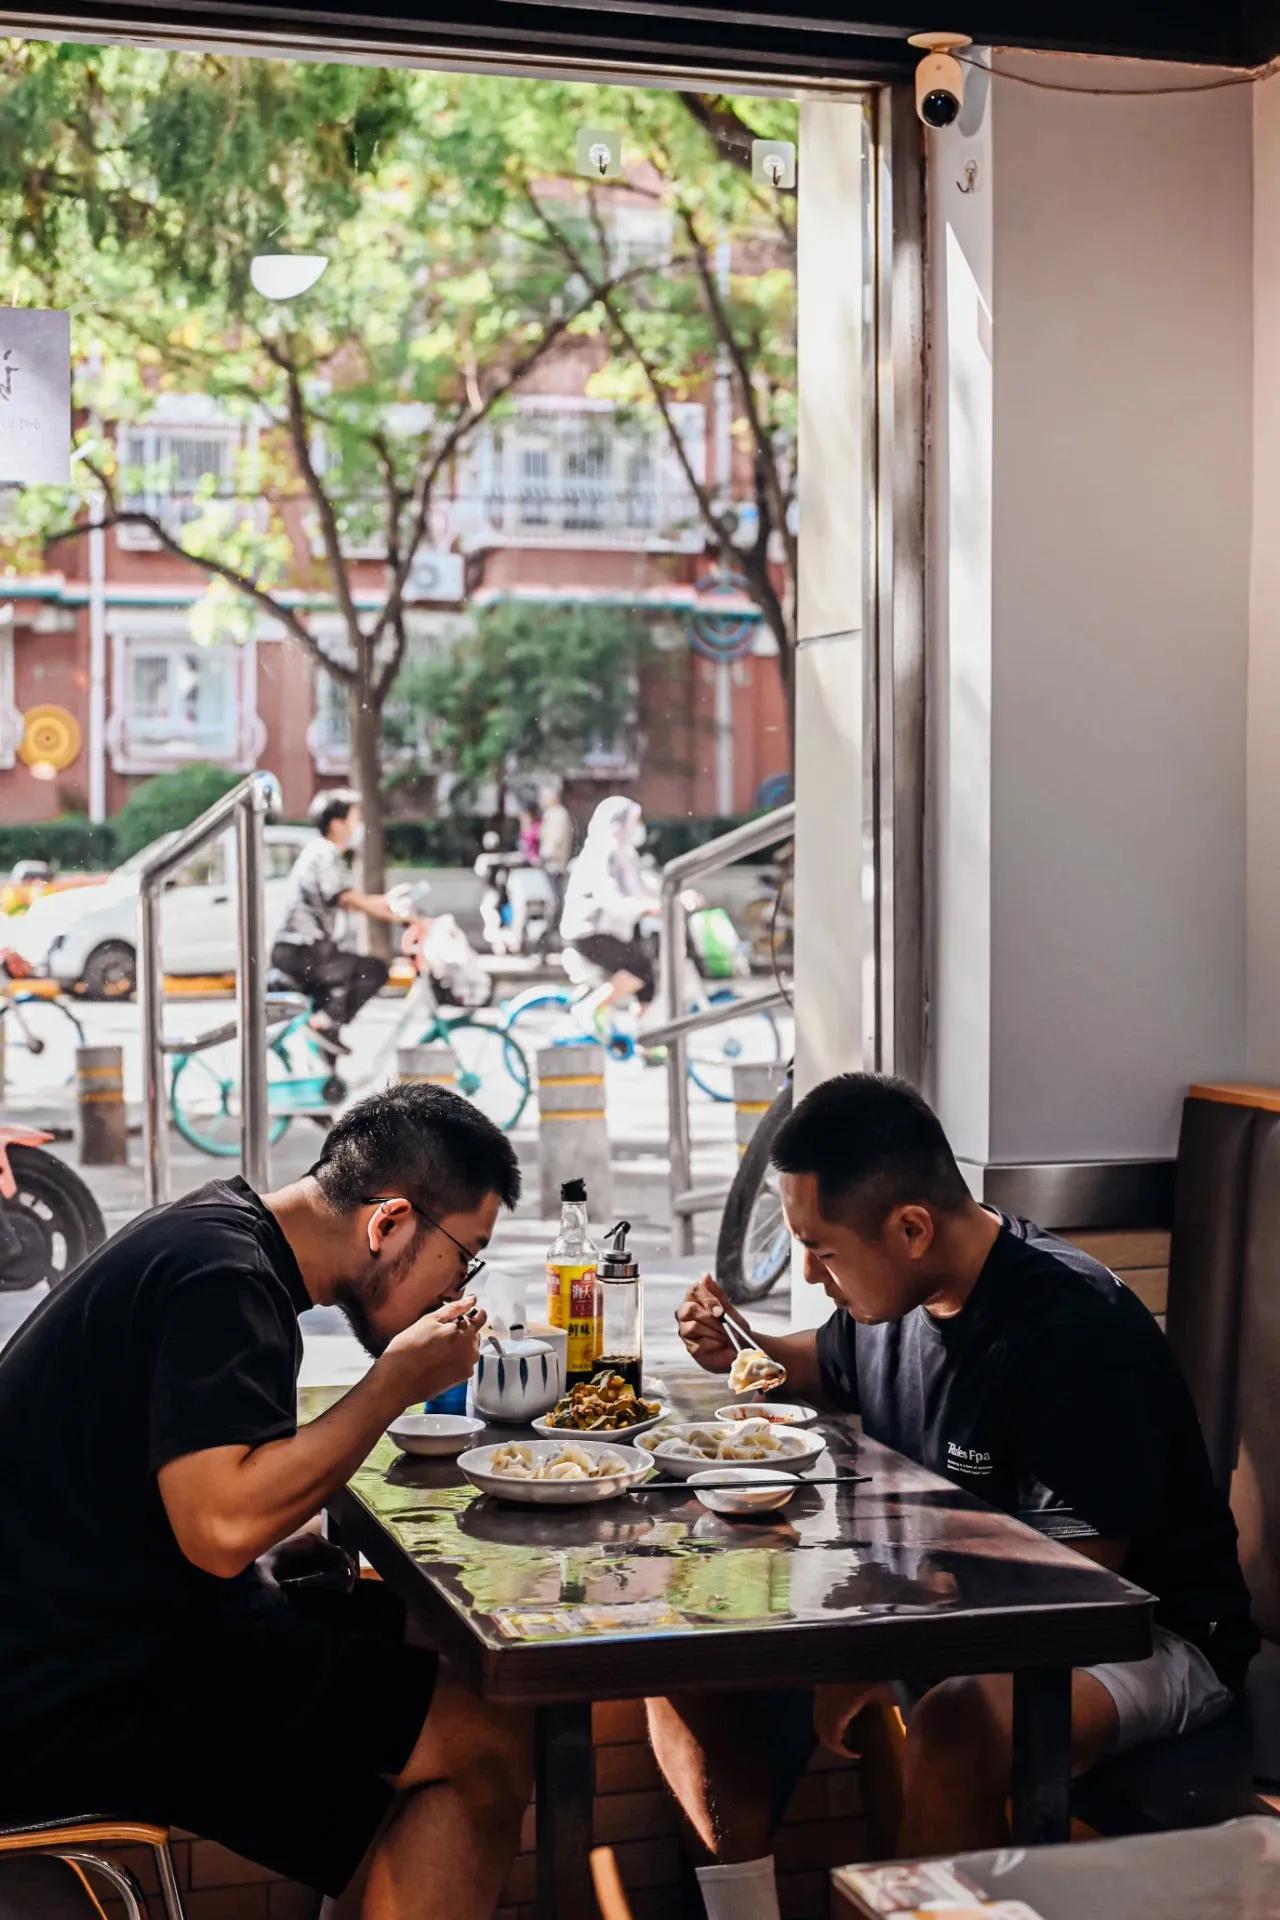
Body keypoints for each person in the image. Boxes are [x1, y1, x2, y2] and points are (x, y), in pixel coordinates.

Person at [654, 1073, 1257, 1920]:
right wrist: (737, 1348)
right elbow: (820, 1364)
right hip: (966, 1609)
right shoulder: (896, 1293)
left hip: (1154, 1637)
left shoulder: (1070, 1332)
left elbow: (1077, 1590)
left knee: (954, 1727)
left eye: (822, 1250)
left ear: (910, 1228)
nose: (812, 1274)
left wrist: (875, 1649)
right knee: (687, 1653)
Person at [0, 1083, 531, 1920]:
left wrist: (288, 1546)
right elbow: (219, 1529)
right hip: (71, 1688)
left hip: (92, 1634)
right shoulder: (223, 1279)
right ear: (388, 1222)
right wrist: (393, 1383)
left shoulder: (217, 1236)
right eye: (464, 1256)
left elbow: (192, 1498)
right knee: (480, 1743)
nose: (458, 1287)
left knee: (403, 1629)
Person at [271, 789, 408, 1056]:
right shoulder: (325, 853)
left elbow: (350, 897)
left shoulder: (319, 852)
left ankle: (327, 1076)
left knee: (330, 1008)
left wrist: (386, 902)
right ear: (337, 824)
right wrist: (393, 914)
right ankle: (324, 1023)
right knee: (374, 970)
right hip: (303, 953)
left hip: (299, 952)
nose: (359, 826)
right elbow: (344, 898)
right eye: (355, 819)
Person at [559, 794, 660, 1027]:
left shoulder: (625, 854)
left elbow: (647, 886)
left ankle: (641, 1036)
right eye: (634, 821)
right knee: (640, 969)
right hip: (589, 933)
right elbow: (610, 897)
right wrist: (641, 907)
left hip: (611, 931)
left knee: (648, 980)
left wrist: (675, 895)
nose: (637, 827)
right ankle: (590, 1010)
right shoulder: (601, 854)